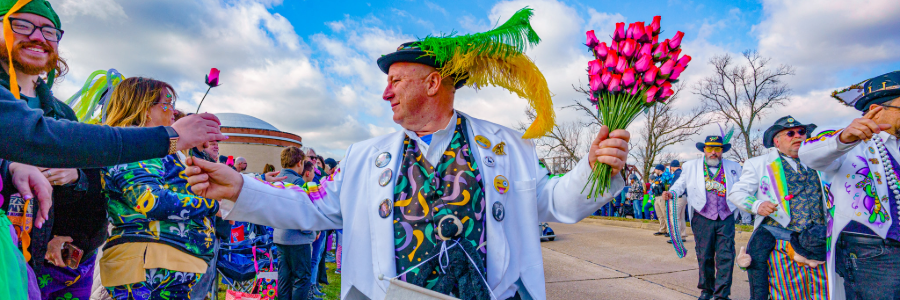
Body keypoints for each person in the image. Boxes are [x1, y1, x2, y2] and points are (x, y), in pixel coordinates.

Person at [184, 9, 630, 299]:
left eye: (396, 81)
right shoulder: (364, 157)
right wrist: (241, 188)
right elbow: (311, 205)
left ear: (433, 83)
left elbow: (553, 202)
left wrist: (594, 170)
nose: (386, 93)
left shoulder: (507, 146)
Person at [98, 77, 219, 299]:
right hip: (147, 267)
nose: (174, 111)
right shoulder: (134, 146)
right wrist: (212, 205)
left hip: (162, 264)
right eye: (167, 103)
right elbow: (149, 200)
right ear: (145, 109)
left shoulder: (153, 149)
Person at [799, 71, 900, 299]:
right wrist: (844, 138)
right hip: (870, 253)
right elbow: (809, 155)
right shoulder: (845, 140)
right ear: (876, 109)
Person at [729, 115, 827, 300]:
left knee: (824, 292)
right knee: (787, 293)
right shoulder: (758, 164)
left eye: (801, 132)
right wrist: (757, 205)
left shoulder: (820, 162)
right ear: (776, 141)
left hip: (820, 242)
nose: (797, 136)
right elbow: (736, 193)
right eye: (790, 133)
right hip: (782, 243)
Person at [664, 136, 742, 300]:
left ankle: (722, 294)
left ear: (722, 151)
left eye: (717, 149)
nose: (713, 152)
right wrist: (672, 193)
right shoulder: (691, 166)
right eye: (710, 149)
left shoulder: (734, 167)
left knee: (726, 255)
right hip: (702, 216)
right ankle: (707, 290)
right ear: (704, 150)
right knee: (704, 255)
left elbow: (743, 187)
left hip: (726, 216)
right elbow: (680, 184)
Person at [273, 146, 317, 300]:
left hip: (280, 235)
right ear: (299, 163)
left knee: (284, 278)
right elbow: (304, 211)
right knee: (301, 278)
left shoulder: (277, 179)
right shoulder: (298, 181)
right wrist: (310, 231)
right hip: (297, 237)